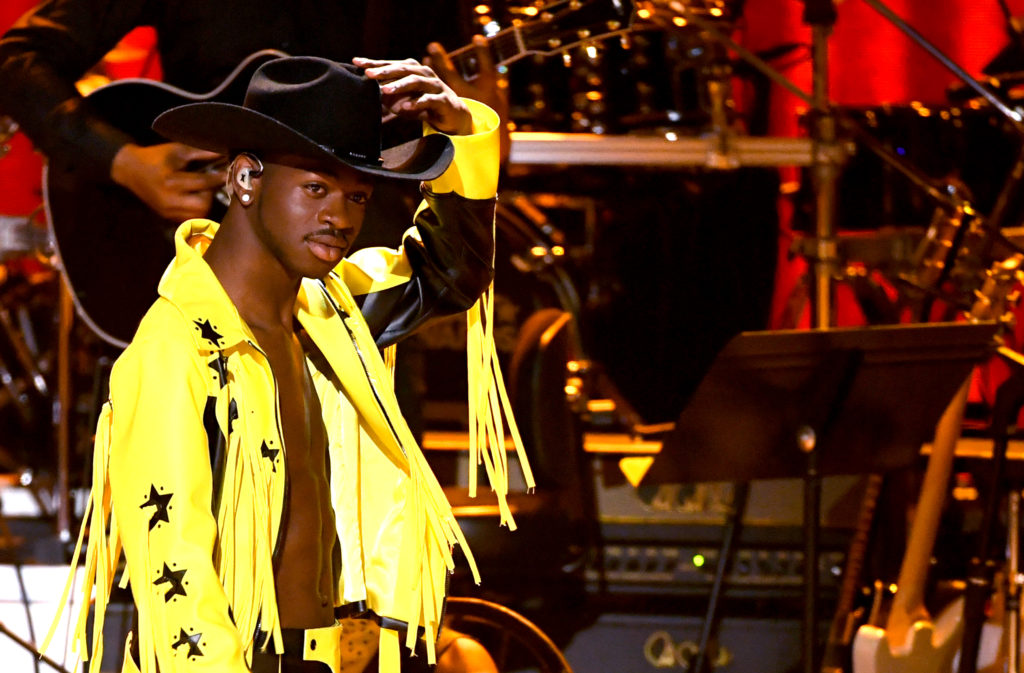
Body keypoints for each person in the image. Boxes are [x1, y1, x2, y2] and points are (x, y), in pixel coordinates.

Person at [42, 54, 508, 673]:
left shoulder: (331, 315)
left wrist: (465, 132)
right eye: (316, 188)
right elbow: (174, 569)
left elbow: (450, 273)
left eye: (357, 196)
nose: (339, 217)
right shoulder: (176, 351)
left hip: (332, 650)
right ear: (244, 180)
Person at [0, 0, 508, 226]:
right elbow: (17, 60)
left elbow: (463, 129)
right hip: (195, 267)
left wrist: (478, 119)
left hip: (355, 269)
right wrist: (124, 162)